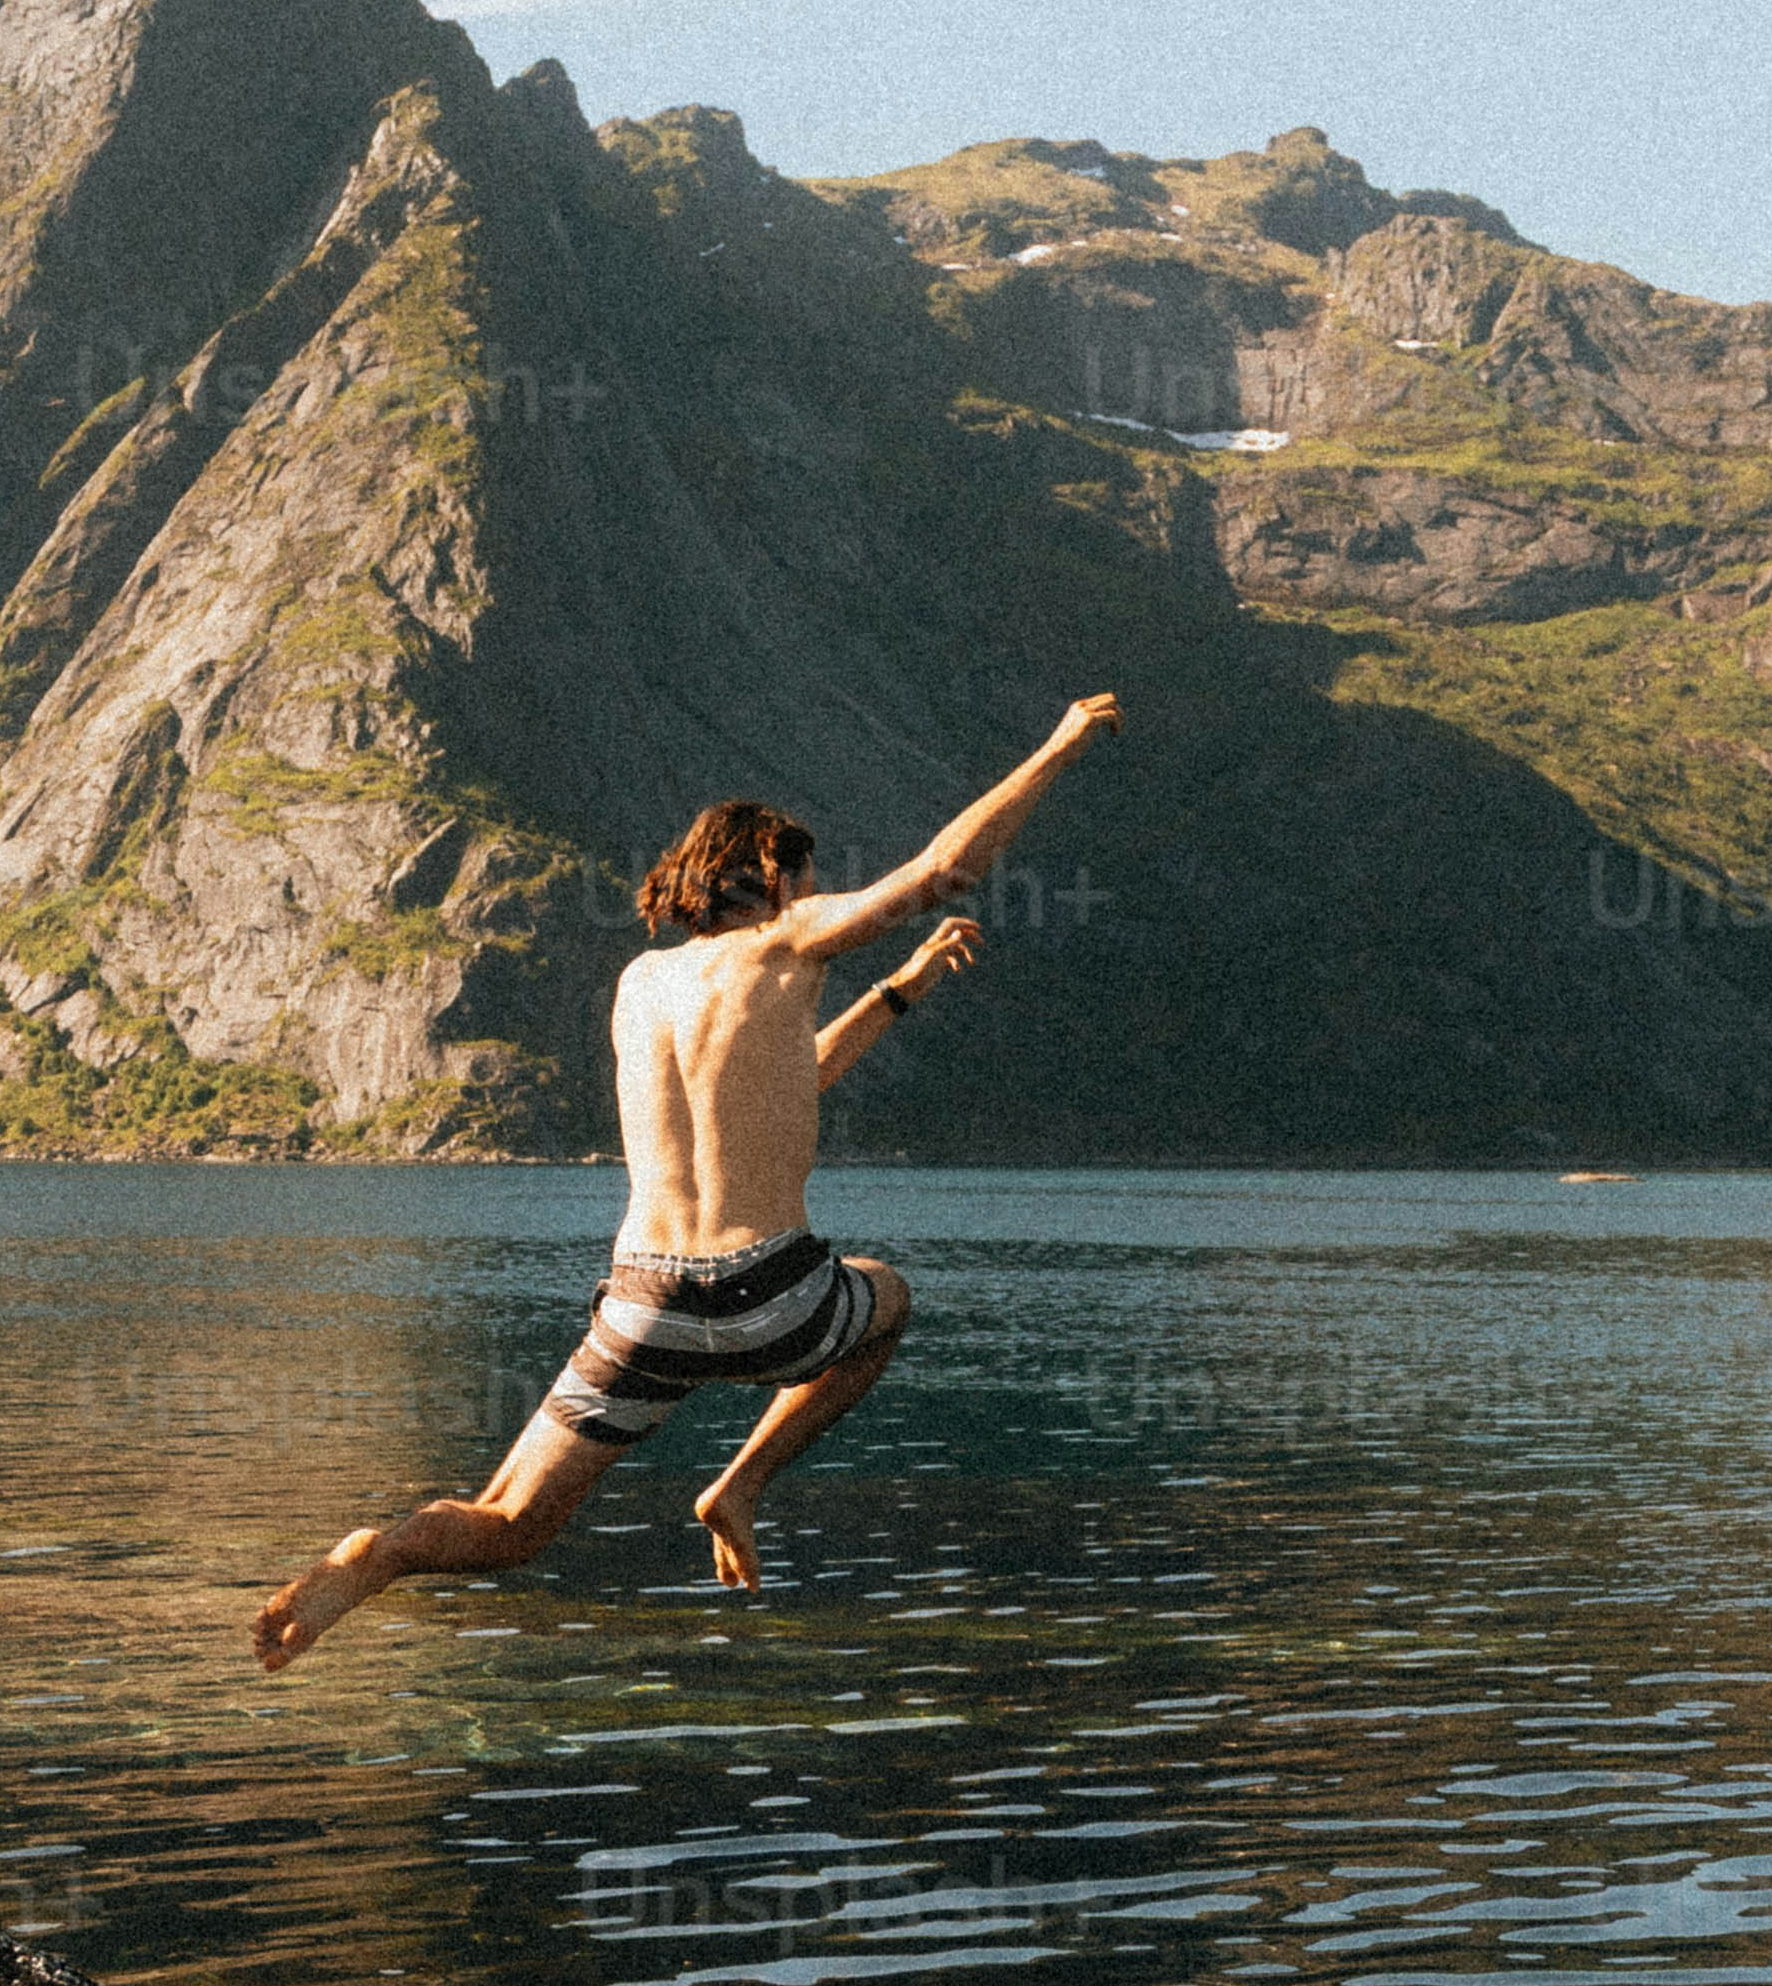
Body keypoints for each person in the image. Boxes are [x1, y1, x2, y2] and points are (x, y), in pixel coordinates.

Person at [253, 694, 1121, 1667]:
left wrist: (896, 992)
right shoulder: (786, 940)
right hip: (769, 1291)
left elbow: (791, 1078)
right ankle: (742, 1483)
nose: (812, 894)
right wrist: (1061, 743)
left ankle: (378, 1557)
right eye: (805, 878)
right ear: (772, 873)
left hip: (642, 1303)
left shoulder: (642, 984)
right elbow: (941, 870)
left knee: (509, 1523)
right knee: (887, 1299)